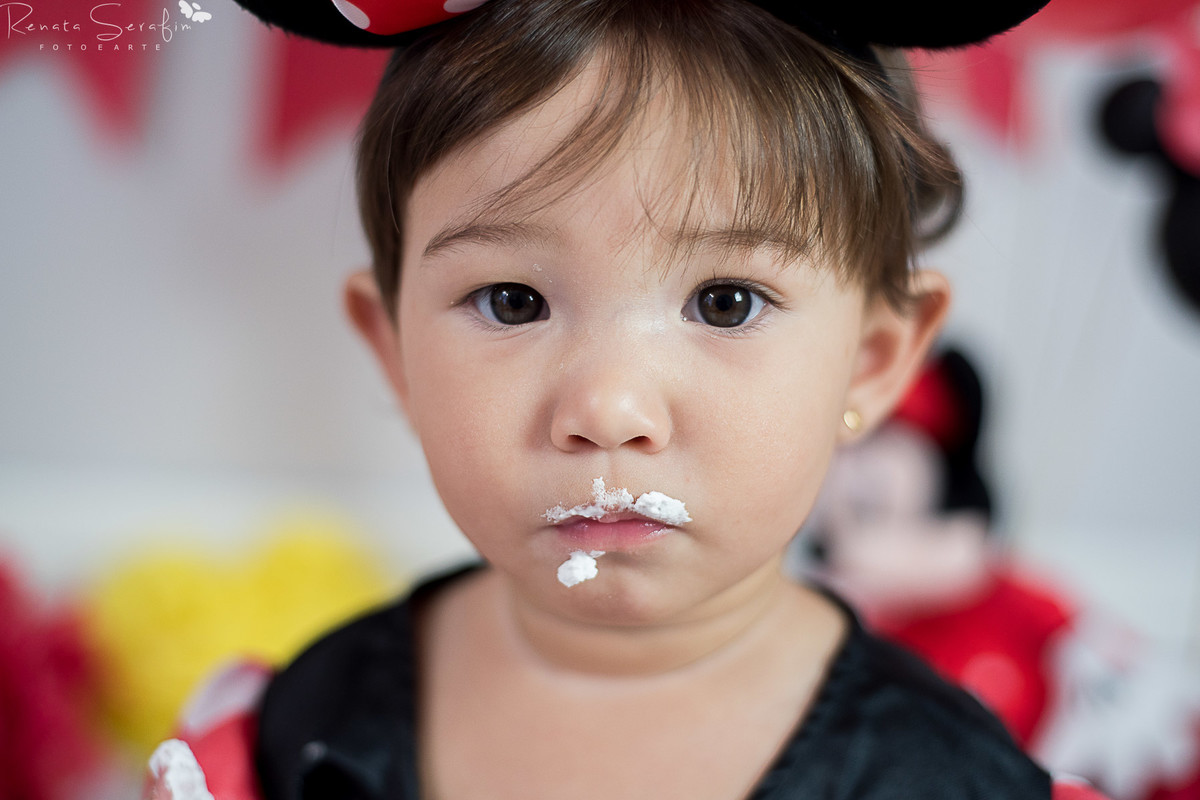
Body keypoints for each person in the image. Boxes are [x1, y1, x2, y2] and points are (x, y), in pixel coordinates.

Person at [144, 1, 1113, 798]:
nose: (609, 411)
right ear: (393, 347)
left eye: (726, 303)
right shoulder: (305, 729)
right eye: (513, 301)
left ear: (871, 359)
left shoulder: (944, 779)